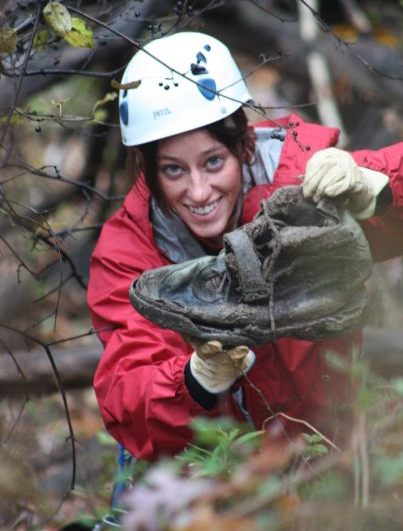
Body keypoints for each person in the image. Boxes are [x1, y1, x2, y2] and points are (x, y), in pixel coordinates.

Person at [87, 31, 403, 461]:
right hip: (218, 484)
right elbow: (129, 393)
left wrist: (378, 193)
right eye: (174, 170)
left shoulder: (300, 183)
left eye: (213, 162)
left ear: (244, 145)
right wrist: (196, 378)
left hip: (336, 456)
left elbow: (387, 180)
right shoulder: (129, 253)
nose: (199, 192)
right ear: (149, 170)